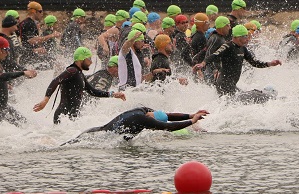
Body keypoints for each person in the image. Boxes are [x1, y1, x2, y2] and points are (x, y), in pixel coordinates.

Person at [33, 47, 125, 123]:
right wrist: (45, 100)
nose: (91, 62)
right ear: (81, 59)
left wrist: (112, 94)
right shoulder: (72, 70)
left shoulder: (80, 74)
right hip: (63, 116)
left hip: (71, 117)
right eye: (89, 59)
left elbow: (92, 91)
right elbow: (56, 81)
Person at [193, 25, 282, 96]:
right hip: (223, 85)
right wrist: (203, 63)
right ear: (236, 37)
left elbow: (254, 63)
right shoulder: (227, 46)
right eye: (244, 36)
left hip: (232, 85)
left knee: (251, 95)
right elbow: (214, 55)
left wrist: (270, 63)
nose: (247, 39)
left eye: (247, 36)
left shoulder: (243, 49)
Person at [0, 37, 37, 126]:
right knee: (18, 128)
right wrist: (23, 73)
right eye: (5, 50)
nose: (7, 53)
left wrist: (5, 85)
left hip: (1, 106)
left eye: (8, 50)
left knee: (24, 123)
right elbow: (1, 76)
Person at [76, 107, 209, 141]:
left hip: (94, 132)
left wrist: (191, 115)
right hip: (100, 138)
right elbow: (168, 127)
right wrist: (192, 121)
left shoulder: (143, 110)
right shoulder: (143, 120)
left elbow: (168, 116)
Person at [203, 16, 231, 84]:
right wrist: (214, 70)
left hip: (216, 72)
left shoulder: (220, 38)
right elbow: (209, 54)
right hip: (211, 73)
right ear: (222, 26)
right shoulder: (215, 38)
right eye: (228, 25)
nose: (230, 28)